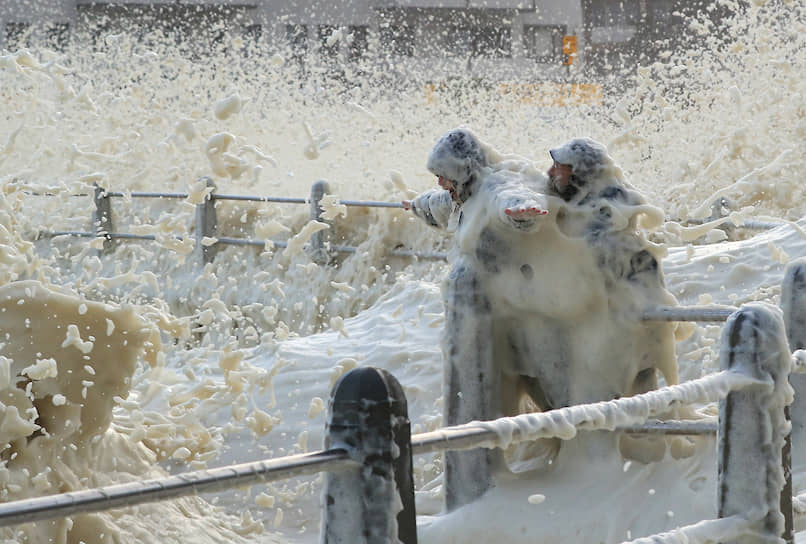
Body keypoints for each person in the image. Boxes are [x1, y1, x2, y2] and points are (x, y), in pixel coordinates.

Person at [403, 129, 681, 510]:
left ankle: (638, 475)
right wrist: (416, 205)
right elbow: (445, 206)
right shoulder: (468, 193)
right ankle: (638, 463)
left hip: (613, 319)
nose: (550, 172)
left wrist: (521, 215)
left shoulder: (596, 205)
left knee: (613, 399)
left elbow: (513, 198)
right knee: (591, 401)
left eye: (560, 167)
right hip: (543, 313)